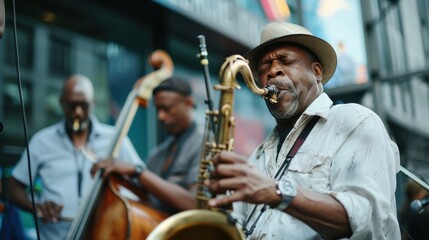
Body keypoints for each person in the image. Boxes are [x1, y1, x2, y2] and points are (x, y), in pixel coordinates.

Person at [206, 21, 401, 239]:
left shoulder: (354, 120)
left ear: (316, 72)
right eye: (264, 68)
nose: (273, 71)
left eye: (285, 60)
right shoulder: (257, 156)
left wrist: (276, 192)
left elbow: (369, 220)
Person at [6, 74, 143, 240]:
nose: (77, 112)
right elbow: (13, 188)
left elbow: (141, 181)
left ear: (93, 103)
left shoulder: (116, 139)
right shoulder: (41, 141)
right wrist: (37, 207)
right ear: (61, 103)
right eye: (72, 106)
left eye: (84, 105)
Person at [92, 76, 203, 215]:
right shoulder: (157, 154)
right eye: (158, 109)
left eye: (166, 109)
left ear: (189, 103)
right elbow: (144, 195)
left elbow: (195, 203)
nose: (160, 116)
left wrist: (137, 171)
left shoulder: (204, 144)